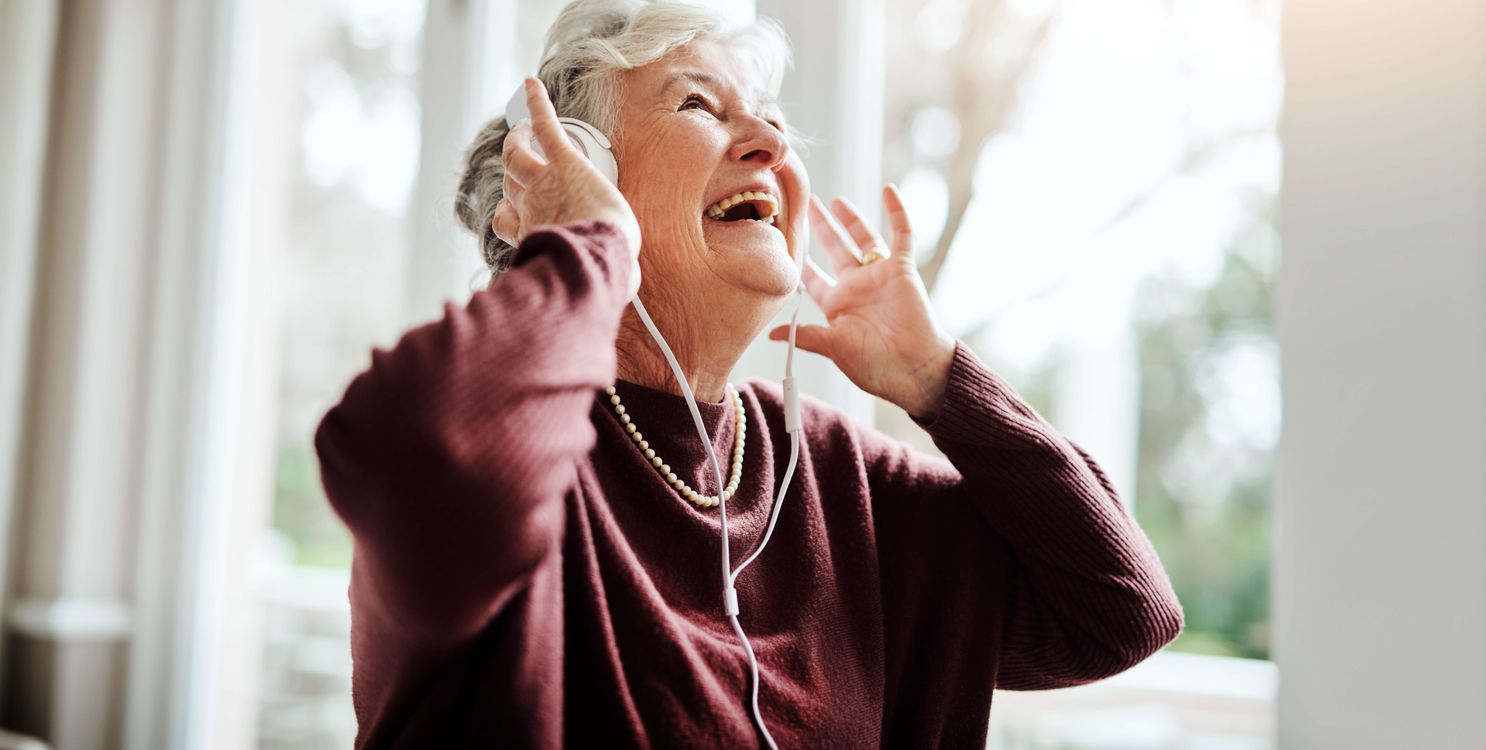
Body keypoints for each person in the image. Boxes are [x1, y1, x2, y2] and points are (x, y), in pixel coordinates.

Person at [314, 1, 1183, 746]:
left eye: (770, 116)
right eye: (701, 104)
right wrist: (583, 246)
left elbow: (1118, 610)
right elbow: (401, 451)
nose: (769, 139)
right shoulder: (499, 446)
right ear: (587, 173)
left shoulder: (834, 471)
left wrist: (939, 381)